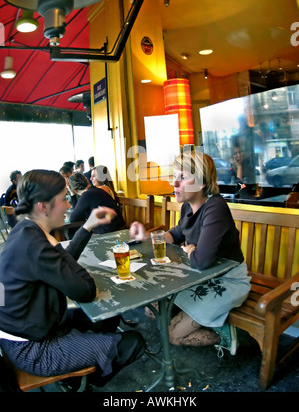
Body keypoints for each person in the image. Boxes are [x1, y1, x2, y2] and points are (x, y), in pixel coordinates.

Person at [0, 169, 145, 386]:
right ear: (44, 206)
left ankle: (86, 365)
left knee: (109, 315)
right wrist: (54, 244)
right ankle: (84, 378)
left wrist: (87, 226)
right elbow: (86, 290)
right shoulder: (38, 244)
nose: (69, 205)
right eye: (63, 199)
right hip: (33, 349)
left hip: (30, 328)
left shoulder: (25, 230)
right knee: (134, 342)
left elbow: (59, 264)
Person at [130, 151, 251, 356]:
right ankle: (201, 319)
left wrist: (191, 251)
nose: (174, 183)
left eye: (183, 177)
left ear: (202, 183)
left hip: (226, 280)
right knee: (152, 309)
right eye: (174, 176)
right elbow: (176, 234)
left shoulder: (215, 207)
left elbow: (201, 261)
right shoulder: (188, 205)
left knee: (173, 336)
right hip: (202, 276)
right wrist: (148, 238)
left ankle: (224, 335)